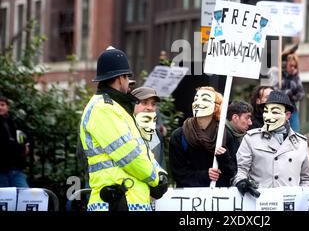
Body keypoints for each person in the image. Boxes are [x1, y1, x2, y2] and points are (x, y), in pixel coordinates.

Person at [79, 46, 168, 211]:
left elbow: (141, 150)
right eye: (127, 78)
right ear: (121, 78)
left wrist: (160, 172)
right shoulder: (104, 108)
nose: (128, 83)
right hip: (118, 202)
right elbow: (130, 155)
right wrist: (157, 179)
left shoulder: (115, 107)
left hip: (127, 200)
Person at [233, 91, 309, 197]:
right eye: (266, 111)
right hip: (260, 203)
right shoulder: (251, 138)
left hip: (290, 204)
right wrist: (241, 181)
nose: (268, 116)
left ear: (287, 115)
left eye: (275, 112)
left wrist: (302, 197)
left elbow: (307, 178)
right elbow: (240, 170)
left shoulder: (301, 142)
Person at [169, 86, 236, 187]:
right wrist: (204, 175)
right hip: (189, 197)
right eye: (196, 99)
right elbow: (177, 173)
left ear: (216, 107)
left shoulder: (224, 135)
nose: (198, 103)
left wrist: (224, 158)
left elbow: (232, 172)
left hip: (218, 196)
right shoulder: (179, 135)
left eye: (205, 99)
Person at [268, 54, 305, 132]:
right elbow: (274, 90)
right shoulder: (278, 74)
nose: (292, 68)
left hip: (292, 109)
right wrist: (287, 93)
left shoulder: (295, 77)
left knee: (295, 132)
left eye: (295, 66)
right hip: (280, 109)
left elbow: (301, 93)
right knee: (279, 132)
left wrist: (293, 96)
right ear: (286, 64)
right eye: (291, 65)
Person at [131, 86, 166, 168]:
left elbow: (161, 164)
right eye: (144, 103)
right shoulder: (124, 129)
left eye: (153, 104)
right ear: (132, 104)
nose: (150, 108)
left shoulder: (156, 133)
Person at [0, 96, 29, 188]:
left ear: (7, 107)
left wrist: (26, 147)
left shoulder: (14, 122)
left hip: (16, 169)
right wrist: (22, 148)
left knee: (24, 197)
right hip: (1, 170)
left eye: (2, 105)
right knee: (4, 199)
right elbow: (5, 144)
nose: (0, 107)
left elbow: (25, 137)